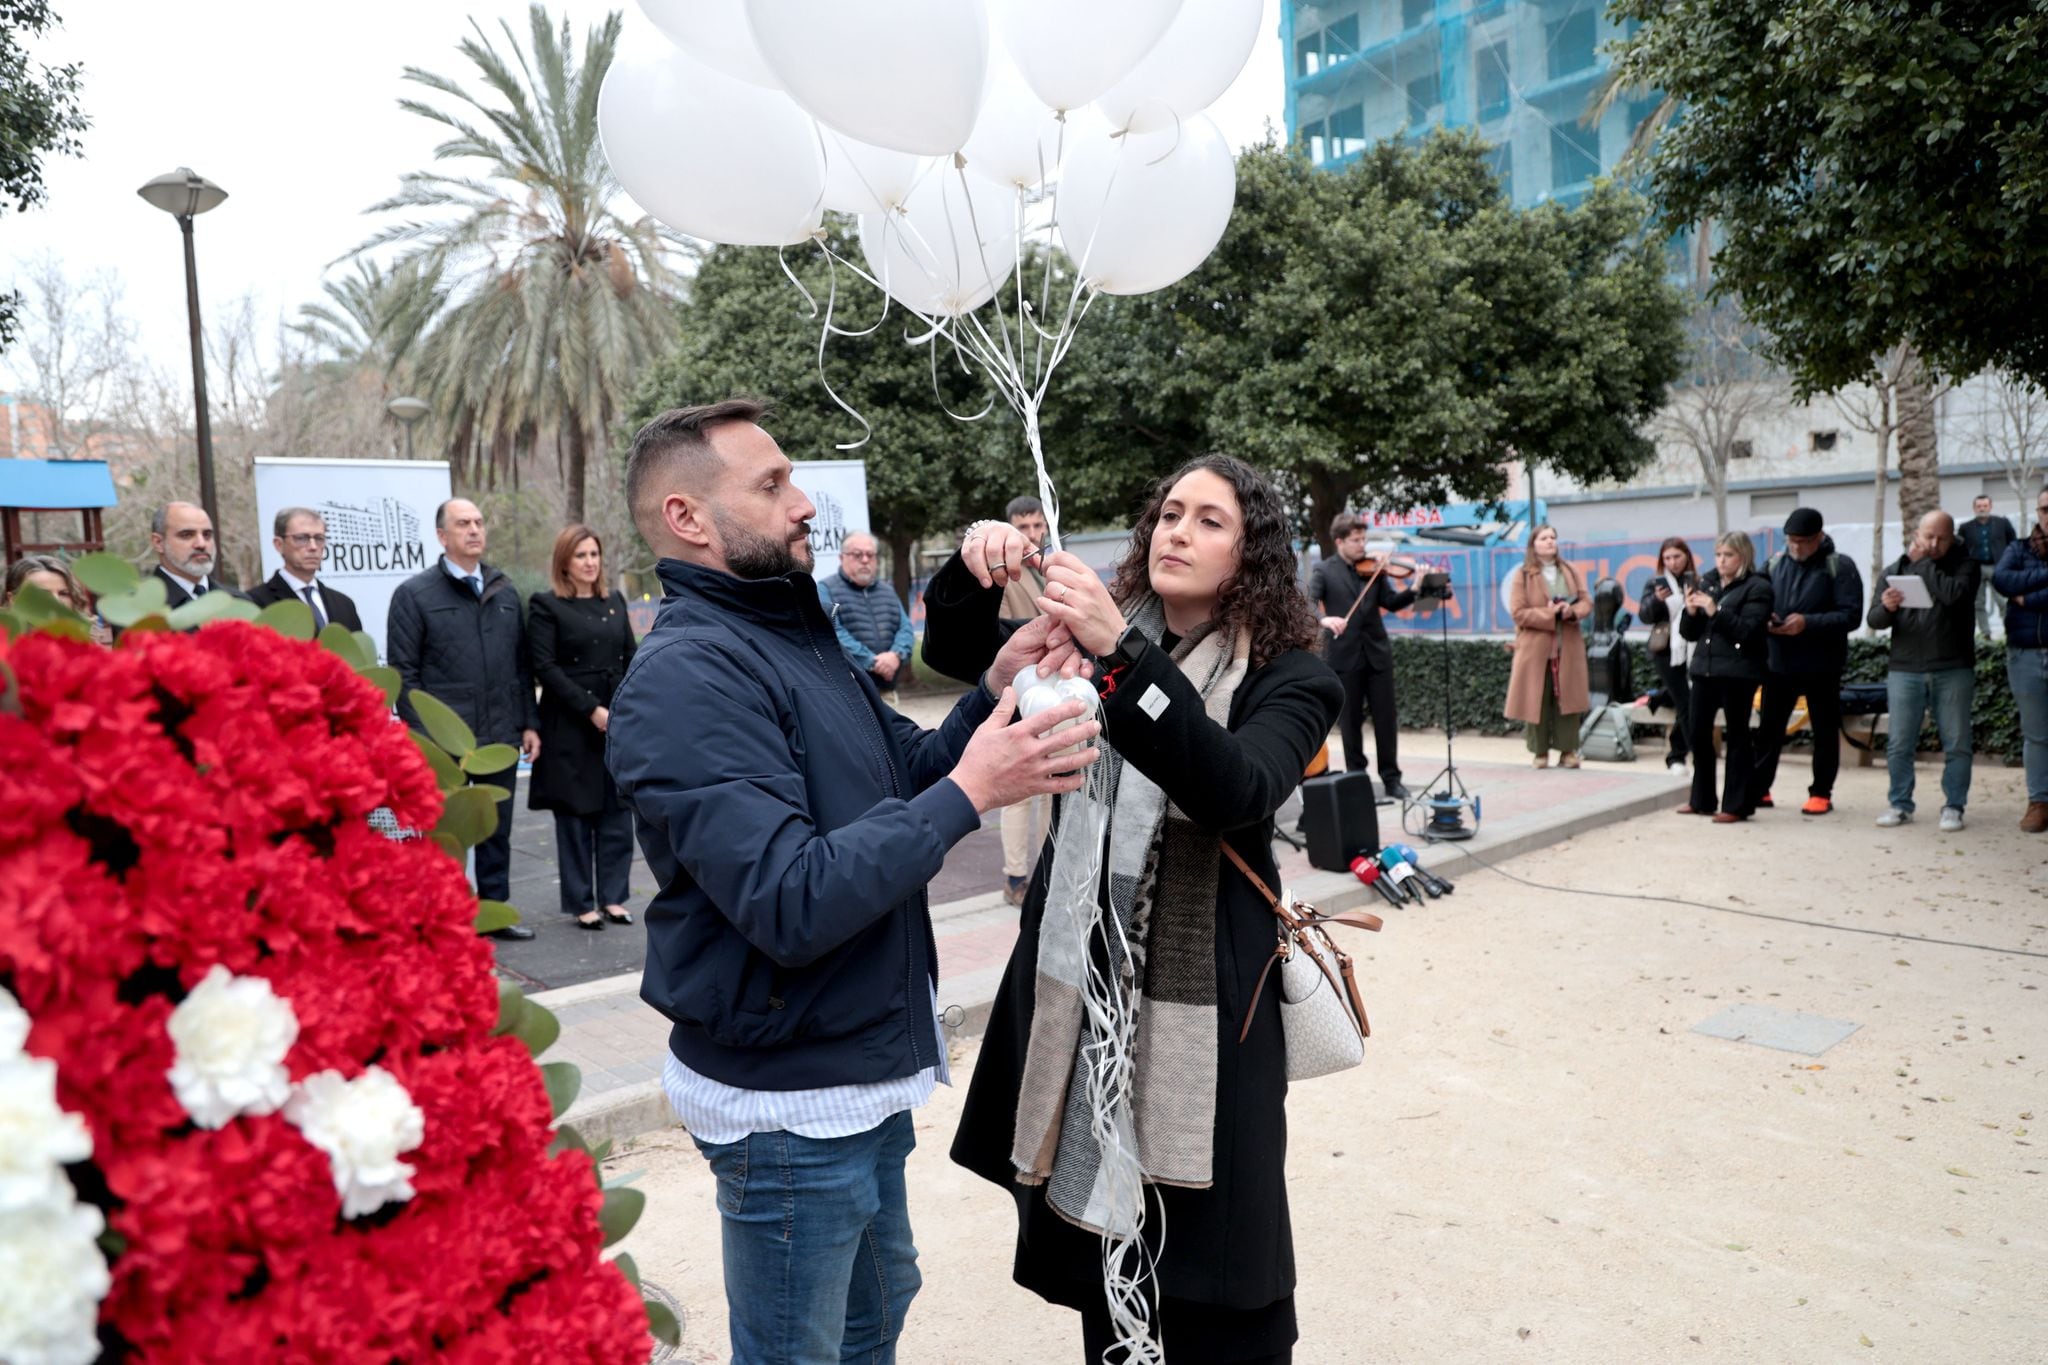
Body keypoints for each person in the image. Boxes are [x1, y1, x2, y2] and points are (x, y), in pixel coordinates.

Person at [606, 400, 1099, 1365]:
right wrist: (974, 790)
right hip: (788, 1099)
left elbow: (897, 769)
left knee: (875, 1312)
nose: (805, 503)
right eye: (772, 483)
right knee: (803, 1347)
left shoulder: (789, 633)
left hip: (853, 1068)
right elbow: (790, 897)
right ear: (687, 518)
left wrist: (992, 695)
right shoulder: (687, 676)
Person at [933, 454, 1342, 1365]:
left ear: (1253, 554)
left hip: (1212, 1003)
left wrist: (1127, 652)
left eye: (1208, 521)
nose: (1177, 532)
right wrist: (973, 570)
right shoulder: (1087, 645)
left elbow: (1235, 785)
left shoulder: (1294, 676)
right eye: (1169, 514)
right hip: (1085, 993)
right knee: (1102, 1261)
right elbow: (955, 656)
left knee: (1220, 1259)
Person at [386, 497, 542, 939]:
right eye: (462, 524)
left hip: (499, 737)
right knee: (444, 833)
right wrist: (426, 739)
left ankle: (493, 912)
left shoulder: (505, 591)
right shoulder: (414, 595)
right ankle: (444, 916)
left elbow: (521, 667)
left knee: (495, 827)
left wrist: (528, 722)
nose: (474, 530)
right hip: (445, 745)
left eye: (478, 522)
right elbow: (403, 675)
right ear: (442, 536)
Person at [528, 525, 638, 931]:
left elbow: (631, 656)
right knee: (575, 817)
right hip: (570, 724)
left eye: (594, 554)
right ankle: (581, 902)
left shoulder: (615, 601)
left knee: (615, 812)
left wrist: (624, 708)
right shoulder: (545, 605)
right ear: (564, 563)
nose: (590, 562)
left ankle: (613, 897)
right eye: (581, 556)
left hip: (615, 721)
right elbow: (545, 667)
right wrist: (592, 709)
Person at [1869, 510, 1980, 830]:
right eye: (1927, 537)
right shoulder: (1895, 569)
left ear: (1952, 537)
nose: (1933, 544)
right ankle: (1900, 803)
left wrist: (1924, 564)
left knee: (1957, 741)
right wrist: (1887, 607)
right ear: (1915, 535)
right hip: (1905, 667)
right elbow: (1874, 620)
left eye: (1941, 538)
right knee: (1899, 742)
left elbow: (1953, 596)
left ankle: (1954, 805)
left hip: (1953, 666)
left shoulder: (1965, 566)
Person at [1752, 508, 1864, 815]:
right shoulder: (1773, 564)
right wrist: (1767, 619)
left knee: (1825, 731)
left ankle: (1821, 793)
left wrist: (1808, 623)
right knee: (1769, 730)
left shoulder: (1840, 566)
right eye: (1791, 541)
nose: (1796, 547)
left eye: (1802, 541)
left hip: (1822, 665)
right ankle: (1760, 789)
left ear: (1819, 537)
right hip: (1778, 662)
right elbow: (1756, 601)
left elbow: (1851, 616)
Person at [1309, 512, 1420, 798]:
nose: (1362, 545)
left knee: (1386, 719)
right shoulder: (1324, 570)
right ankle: (1357, 778)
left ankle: (1391, 779)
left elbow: (1391, 602)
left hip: (1377, 654)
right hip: (1344, 656)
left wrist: (1414, 589)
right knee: (1351, 722)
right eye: (1356, 540)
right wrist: (1324, 620)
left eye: (1364, 539)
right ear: (1339, 541)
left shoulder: (1375, 568)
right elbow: (1307, 603)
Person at [1675, 530, 1773, 822]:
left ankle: (1736, 804)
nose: (1721, 561)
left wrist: (1715, 611)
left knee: (1738, 735)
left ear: (1742, 556)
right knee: (1697, 733)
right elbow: (1688, 633)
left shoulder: (1758, 587)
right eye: (1718, 554)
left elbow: (1748, 631)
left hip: (1739, 672)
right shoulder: (1707, 582)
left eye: (1728, 555)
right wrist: (1691, 612)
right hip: (1704, 669)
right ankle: (1702, 799)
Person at [998, 494, 1052, 905]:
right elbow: (998, 633)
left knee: (1053, 786)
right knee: (1019, 791)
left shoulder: (1051, 567)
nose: (1032, 534)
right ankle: (1015, 877)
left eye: (1037, 526)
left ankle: (1048, 868)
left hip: (1053, 688)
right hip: (1017, 690)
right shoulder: (1006, 572)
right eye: (1024, 527)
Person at [1505, 525, 1592, 769]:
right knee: (1537, 697)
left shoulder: (1570, 571)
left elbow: (1586, 602)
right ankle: (1539, 752)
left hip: (1568, 644)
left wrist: (1570, 611)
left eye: (1553, 537)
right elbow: (1518, 612)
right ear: (1534, 544)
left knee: (1568, 697)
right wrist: (1548, 614)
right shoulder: (1523, 575)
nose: (1550, 541)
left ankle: (1568, 751)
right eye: (1544, 538)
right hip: (1536, 648)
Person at [1993, 487, 2048, 832]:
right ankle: (2039, 802)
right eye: (2044, 508)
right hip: (2025, 654)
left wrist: (2028, 597)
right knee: (2036, 735)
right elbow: (2002, 579)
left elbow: (2016, 587)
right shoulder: (2019, 548)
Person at [818, 531, 916, 707]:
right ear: (842, 558)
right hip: (849, 694)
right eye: (857, 554)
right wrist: (872, 662)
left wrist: (896, 655)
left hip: (887, 692)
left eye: (870, 555)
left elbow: (905, 628)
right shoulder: (825, 589)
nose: (865, 560)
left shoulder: (887, 591)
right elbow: (831, 632)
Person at [1635, 537, 1699, 774]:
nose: (1673, 563)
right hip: (1666, 652)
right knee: (1686, 701)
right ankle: (1680, 756)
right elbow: (1644, 615)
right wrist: (1656, 600)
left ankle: (1660, 698)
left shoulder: (1696, 581)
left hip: (1693, 648)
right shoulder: (1656, 584)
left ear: (1687, 557)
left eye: (1677, 557)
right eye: (1667, 558)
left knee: (1689, 699)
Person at [246, 507, 364, 630]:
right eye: (301, 538)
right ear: (279, 544)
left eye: (319, 538)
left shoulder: (344, 604)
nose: (313, 547)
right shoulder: (256, 603)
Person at [149, 501, 245, 606]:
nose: (201, 544)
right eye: (186, 535)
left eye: (207, 535)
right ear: (158, 543)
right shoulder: (140, 610)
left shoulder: (239, 602)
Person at [1963, 494, 2018, 637]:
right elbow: (1960, 548)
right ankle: (1985, 633)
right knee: (1978, 603)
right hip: (1976, 569)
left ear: (1990, 506)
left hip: (1997, 567)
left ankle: (2010, 630)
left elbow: (2013, 543)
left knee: (2003, 600)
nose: (1982, 508)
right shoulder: (1966, 528)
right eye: (1979, 506)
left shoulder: (2002, 523)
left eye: (1985, 505)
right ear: (1974, 508)